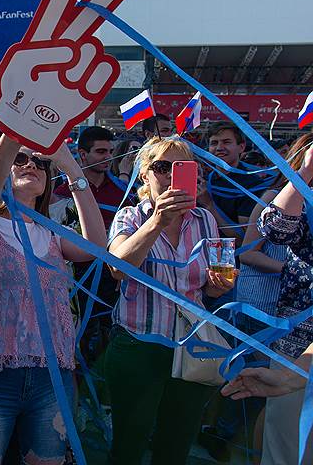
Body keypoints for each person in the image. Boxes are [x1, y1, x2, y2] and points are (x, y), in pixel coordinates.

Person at [0, 133, 105, 464]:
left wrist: (70, 167)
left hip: (51, 379)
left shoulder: (52, 234)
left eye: (40, 162)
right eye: (20, 159)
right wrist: (16, 130)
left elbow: (96, 247)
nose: (32, 166)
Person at [105, 136, 237, 465]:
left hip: (191, 345)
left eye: (182, 167)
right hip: (139, 344)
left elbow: (210, 287)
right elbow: (117, 268)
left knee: (176, 442)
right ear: (144, 175)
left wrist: (220, 285)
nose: (171, 175)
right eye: (163, 167)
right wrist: (157, 222)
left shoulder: (204, 219)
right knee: (129, 443)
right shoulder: (130, 218)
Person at [198, 134, 312, 461]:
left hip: (289, 327)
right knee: (285, 434)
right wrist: (304, 174)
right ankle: (221, 437)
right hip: (287, 327)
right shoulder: (289, 199)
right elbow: (272, 231)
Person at [249, 142, 313, 465]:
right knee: (287, 443)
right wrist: (306, 172)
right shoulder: (304, 199)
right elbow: (273, 229)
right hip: (297, 340)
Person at [54, 126, 128, 366]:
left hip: (111, 275)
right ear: (82, 154)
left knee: (110, 329)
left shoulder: (123, 192)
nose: (107, 157)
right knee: (78, 331)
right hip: (75, 276)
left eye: (110, 151)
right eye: (100, 152)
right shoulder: (58, 193)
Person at [201, 122, 264, 241]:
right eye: (214, 143)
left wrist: (209, 205)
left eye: (226, 142)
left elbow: (244, 239)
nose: (219, 148)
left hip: (233, 257)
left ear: (241, 147)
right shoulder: (204, 180)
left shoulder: (252, 185)